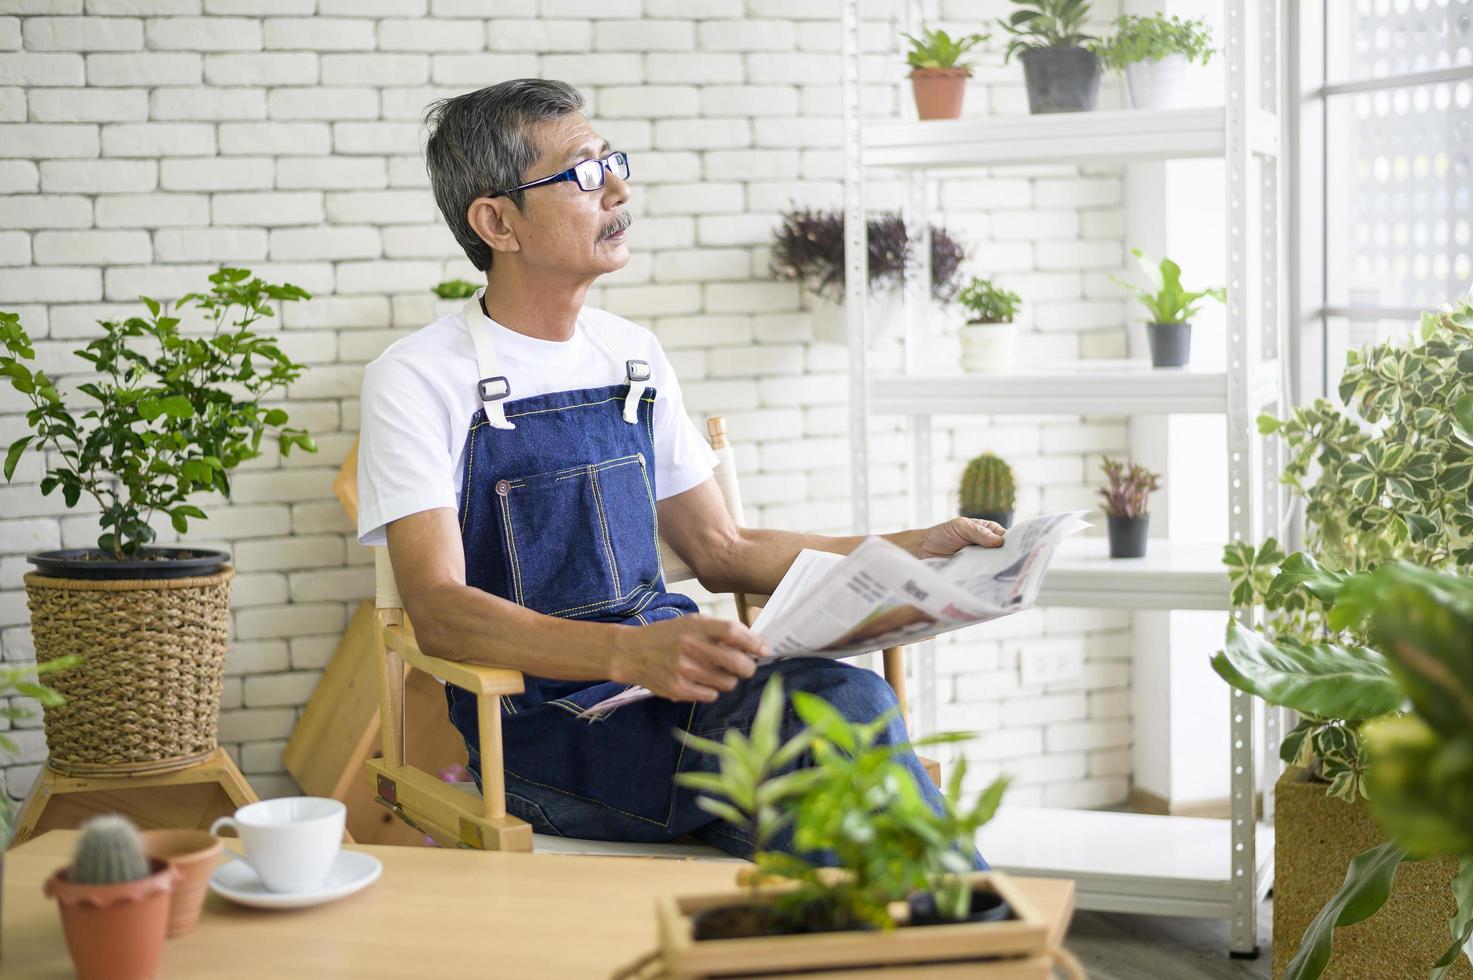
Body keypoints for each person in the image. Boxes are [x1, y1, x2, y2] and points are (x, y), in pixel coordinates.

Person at [355, 78, 1006, 861]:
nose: (619, 190)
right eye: (584, 173)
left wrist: (905, 550)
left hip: (679, 700)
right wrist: (627, 655)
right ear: (497, 221)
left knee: (836, 789)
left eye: (612, 162)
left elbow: (721, 551)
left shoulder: (632, 354)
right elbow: (439, 612)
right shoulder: (420, 377)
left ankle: (943, 935)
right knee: (844, 719)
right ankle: (981, 933)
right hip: (547, 732)